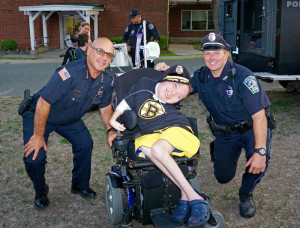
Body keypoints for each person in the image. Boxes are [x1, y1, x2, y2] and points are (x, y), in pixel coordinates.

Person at [155, 33, 273, 218]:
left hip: (252, 129)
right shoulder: (201, 77)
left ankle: (246, 193)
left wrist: (260, 151)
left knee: (259, 163)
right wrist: (164, 73)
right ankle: (218, 152)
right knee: (223, 177)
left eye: (216, 52)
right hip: (225, 133)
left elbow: (259, 116)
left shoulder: (243, 76)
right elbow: (180, 86)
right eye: (207, 53)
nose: (211, 58)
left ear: (226, 54)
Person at [22, 37, 117, 210]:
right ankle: (41, 190)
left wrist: (110, 129)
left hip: (68, 118)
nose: (104, 57)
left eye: (109, 54)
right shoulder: (69, 72)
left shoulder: (107, 79)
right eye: (100, 51)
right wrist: (37, 136)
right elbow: (44, 102)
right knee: (34, 158)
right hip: (40, 114)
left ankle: (79, 185)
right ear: (89, 50)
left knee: (85, 144)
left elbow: (105, 108)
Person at [109, 65, 211, 226]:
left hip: (178, 129)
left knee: (157, 149)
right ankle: (185, 197)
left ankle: (195, 197)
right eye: (175, 86)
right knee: (144, 148)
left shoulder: (172, 109)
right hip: (155, 135)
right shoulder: (144, 85)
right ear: (165, 79)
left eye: (179, 96)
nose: (173, 94)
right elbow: (124, 104)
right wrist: (112, 120)